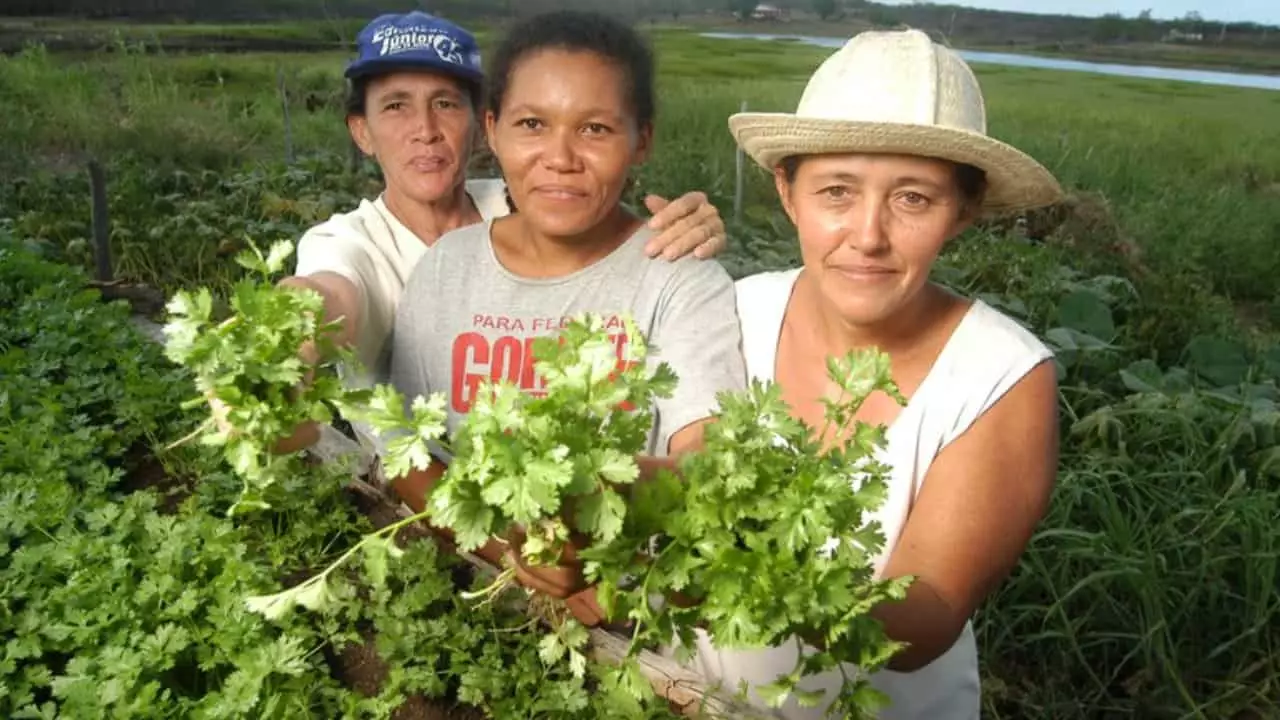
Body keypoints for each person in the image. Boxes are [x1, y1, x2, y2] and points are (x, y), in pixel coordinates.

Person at [683, 28, 1065, 720]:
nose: (867, 235)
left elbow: (926, 616)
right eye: (835, 191)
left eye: (913, 199)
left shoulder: (1002, 374)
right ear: (787, 189)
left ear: (963, 209)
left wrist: (694, 575)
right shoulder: (729, 310)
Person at [385, 10, 747, 607]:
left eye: (596, 129)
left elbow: (705, 460)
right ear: (493, 129)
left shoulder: (680, 279)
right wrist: (509, 551)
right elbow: (406, 454)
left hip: (619, 616)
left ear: (642, 140)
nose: (560, 157)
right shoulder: (446, 266)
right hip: (472, 592)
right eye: (532, 123)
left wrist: (595, 512)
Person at [261, 11, 729, 456]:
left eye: (445, 104)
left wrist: (690, 224)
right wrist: (282, 334)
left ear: (479, 125)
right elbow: (328, 294)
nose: (425, 130)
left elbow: (591, 201)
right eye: (396, 106)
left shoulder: (522, 200)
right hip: (417, 493)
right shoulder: (351, 242)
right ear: (362, 132)